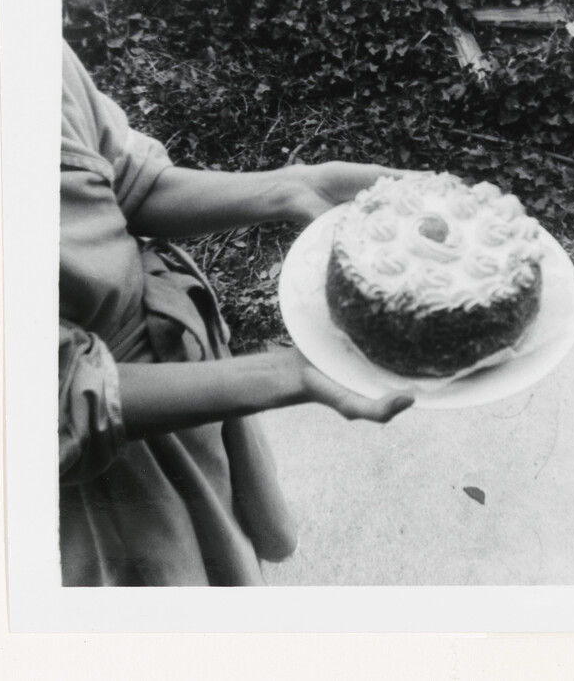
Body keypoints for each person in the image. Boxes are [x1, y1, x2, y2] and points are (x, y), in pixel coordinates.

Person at [59, 40, 414, 586]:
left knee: (224, 542)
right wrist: (285, 374)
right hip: (97, 460)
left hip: (184, 373)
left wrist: (292, 187)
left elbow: (125, 183)